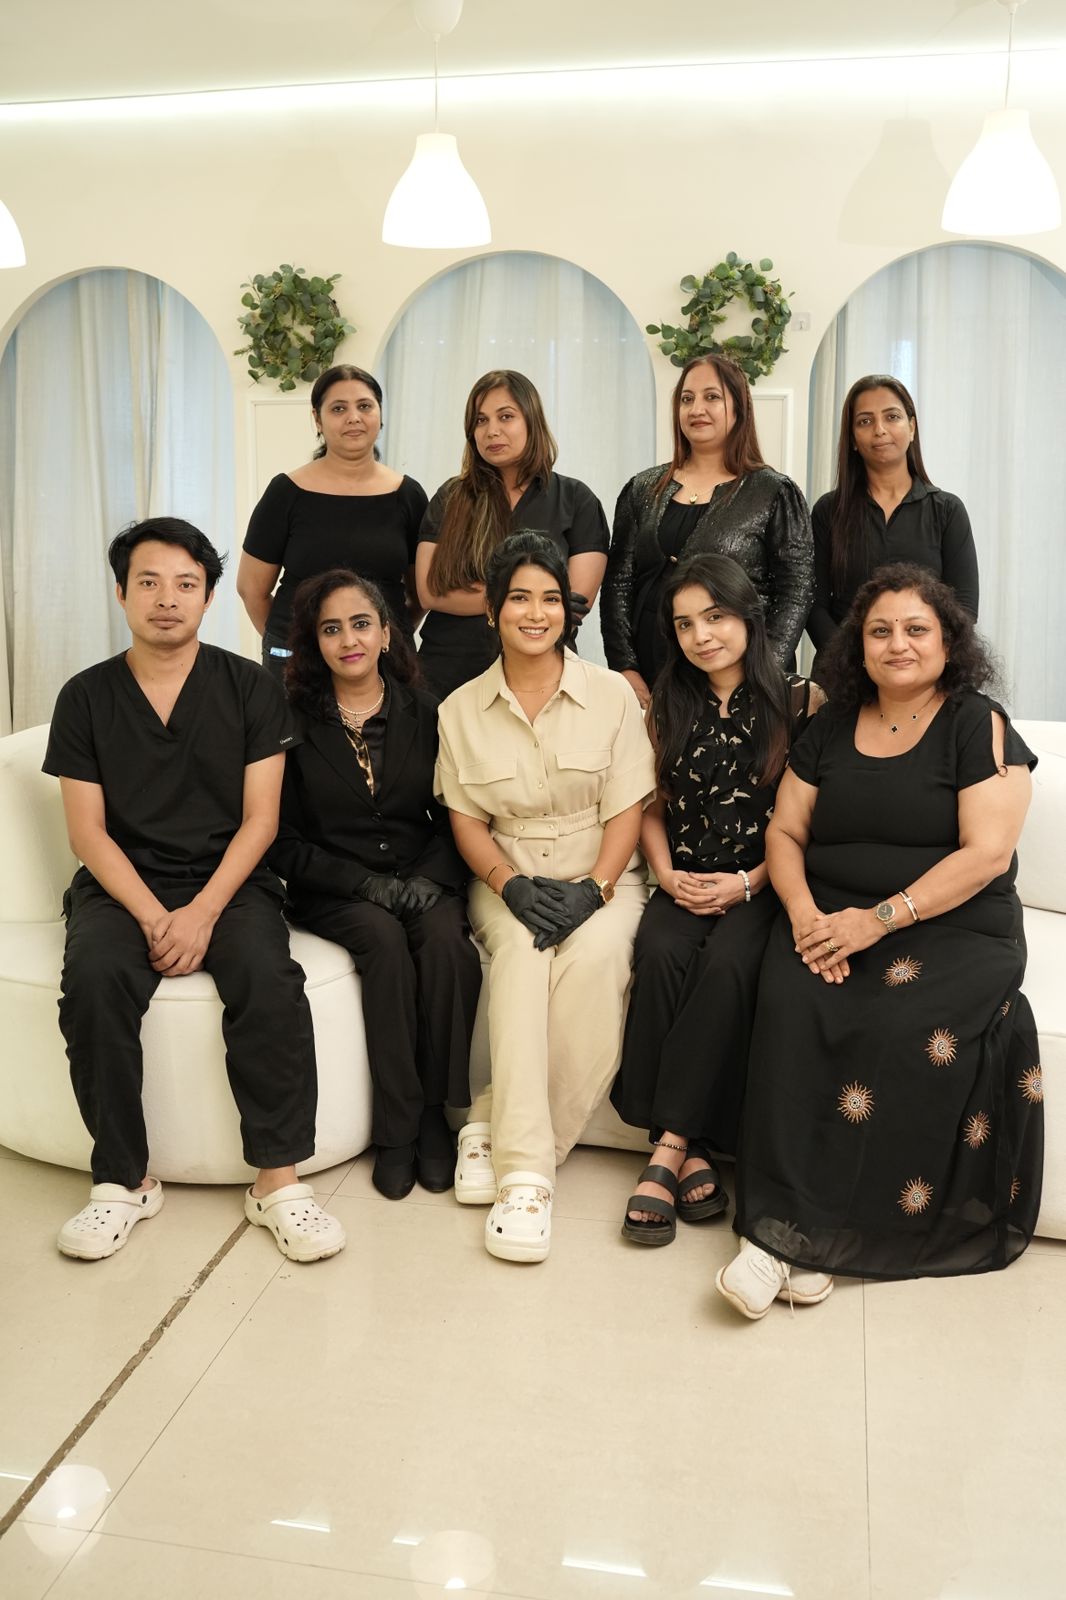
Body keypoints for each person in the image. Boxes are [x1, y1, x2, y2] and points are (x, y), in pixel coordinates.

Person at [716, 563, 1042, 1320]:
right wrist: (804, 915)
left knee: (894, 1024)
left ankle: (800, 1241)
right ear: (857, 646)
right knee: (793, 1002)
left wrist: (879, 920)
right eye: (880, 631)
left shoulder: (977, 722)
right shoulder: (831, 724)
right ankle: (792, 1235)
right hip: (829, 917)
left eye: (916, 629)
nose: (899, 644)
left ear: (949, 640)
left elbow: (986, 855)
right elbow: (785, 831)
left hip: (953, 926)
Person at [45, 517, 345, 1263]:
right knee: (94, 978)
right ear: (121, 593)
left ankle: (277, 1182)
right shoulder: (85, 696)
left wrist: (203, 911)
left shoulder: (250, 688)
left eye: (186, 583)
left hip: (230, 881)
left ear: (209, 597)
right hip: (122, 886)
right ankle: (123, 1180)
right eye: (148, 582)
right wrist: (156, 918)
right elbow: (87, 833)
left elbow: (262, 820)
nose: (167, 599)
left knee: (270, 980)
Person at [435, 531, 655, 1263]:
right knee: (523, 960)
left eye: (551, 599)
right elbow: (467, 820)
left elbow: (628, 807)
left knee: (596, 961)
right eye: (520, 599)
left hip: (603, 872)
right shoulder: (459, 709)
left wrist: (596, 889)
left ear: (569, 610)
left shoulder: (612, 694)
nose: (536, 613)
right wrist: (510, 884)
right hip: (509, 872)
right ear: (492, 611)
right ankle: (526, 1173)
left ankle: (504, 1142)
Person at [611, 554, 823, 1245]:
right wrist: (666, 875)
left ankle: (669, 1144)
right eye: (684, 624)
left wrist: (750, 882)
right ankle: (695, 1146)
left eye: (716, 617)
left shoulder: (802, 702)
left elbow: (810, 823)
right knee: (658, 952)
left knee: (729, 965)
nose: (701, 636)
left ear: (748, 615)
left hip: (765, 885)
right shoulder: (664, 706)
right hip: (687, 879)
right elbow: (649, 807)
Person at [269, 568, 481, 1201]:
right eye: (331, 629)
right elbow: (281, 838)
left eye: (361, 624)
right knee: (384, 944)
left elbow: (459, 813)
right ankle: (397, 1128)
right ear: (315, 643)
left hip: (422, 876)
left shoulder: (431, 711)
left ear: (387, 633)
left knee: (446, 945)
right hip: (337, 888)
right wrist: (364, 884)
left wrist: (431, 876)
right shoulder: (290, 722)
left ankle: (436, 1117)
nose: (349, 640)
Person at [600, 354, 813, 707]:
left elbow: (797, 591)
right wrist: (625, 667)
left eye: (712, 397)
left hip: (740, 675)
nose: (697, 408)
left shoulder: (773, 491)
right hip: (651, 671)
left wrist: (762, 673)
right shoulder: (642, 488)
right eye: (687, 399)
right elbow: (618, 585)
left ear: (739, 408)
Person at [415, 370, 610, 697]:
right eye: (480, 420)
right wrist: (525, 597)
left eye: (505, 416)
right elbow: (429, 593)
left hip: (541, 678)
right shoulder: (451, 497)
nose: (492, 430)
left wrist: (482, 596)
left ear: (532, 421)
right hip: (445, 676)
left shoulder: (577, 500)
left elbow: (573, 602)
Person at [237, 364, 427, 679]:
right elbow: (251, 588)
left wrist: (386, 634)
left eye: (364, 406)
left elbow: (421, 593)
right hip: (297, 660)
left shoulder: (407, 494)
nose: (353, 417)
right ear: (317, 419)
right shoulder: (286, 491)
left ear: (380, 414)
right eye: (339, 408)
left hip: (385, 658)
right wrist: (291, 638)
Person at [807, 374, 979, 655]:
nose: (879, 429)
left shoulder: (948, 510)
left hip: (924, 667)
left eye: (892, 417)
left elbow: (965, 608)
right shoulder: (828, 511)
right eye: (865, 421)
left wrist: (921, 658)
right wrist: (854, 660)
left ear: (911, 428)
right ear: (852, 439)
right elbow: (814, 606)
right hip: (844, 669)